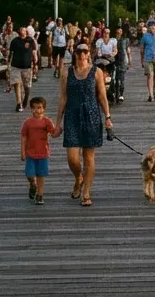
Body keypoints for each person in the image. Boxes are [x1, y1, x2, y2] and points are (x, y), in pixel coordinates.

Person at [56, 44, 112, 206]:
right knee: (72, 158)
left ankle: (86, 192)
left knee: (89, 157)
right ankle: (78, 177)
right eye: (79, 51)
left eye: (85, 51)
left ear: (89, 54)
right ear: (75, 54)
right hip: (72, 116)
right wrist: (58, 122)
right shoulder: (67, 72)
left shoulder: (97, 72)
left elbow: (102, 96)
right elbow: (63, 98)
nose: (82, 54)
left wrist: (108, 117)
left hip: (91, 115)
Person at [21, 96, 58, 205]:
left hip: (43, 153)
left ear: (44, 109)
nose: (38, 110)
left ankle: (40, 195)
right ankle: (33, 184)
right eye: (35, 108)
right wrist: (22, 152)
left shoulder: (47, 122)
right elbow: (23, 137)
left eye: (40, 108)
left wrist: (59, 130)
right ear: (31, 109)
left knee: (40, 175)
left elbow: (53, 133)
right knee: (30, 174)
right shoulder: (27, 123)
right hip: (30, 153)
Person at [6, 26, 38, 112]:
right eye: (20, 29)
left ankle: (26, 98)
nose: (21, 30)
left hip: (27, 67)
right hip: (15, 66)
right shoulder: (15, 41)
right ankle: (19, 103)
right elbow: (10, 53)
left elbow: (34, 53)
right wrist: (8, 63)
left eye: (23, 29)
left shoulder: (30, 40)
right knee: (17, 83)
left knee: (27, 87)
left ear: (26, 32)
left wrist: (35, 65)